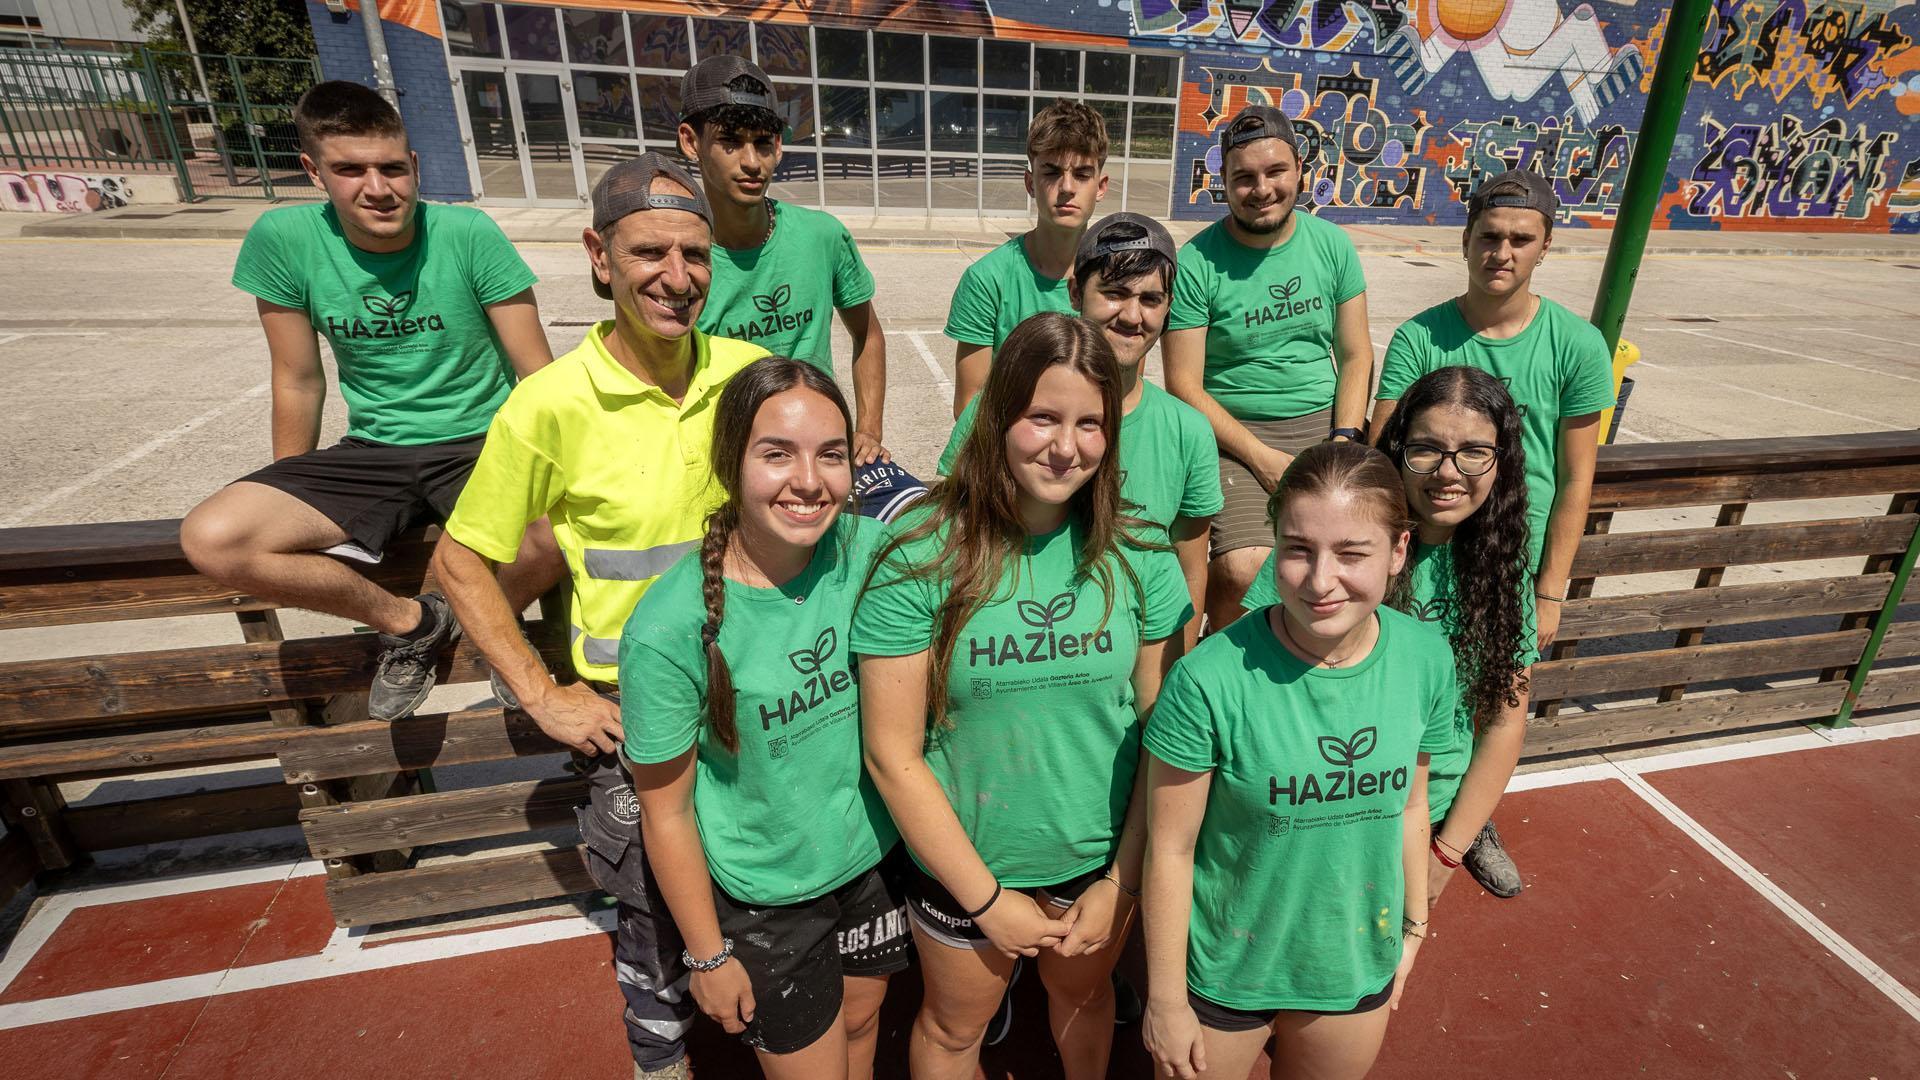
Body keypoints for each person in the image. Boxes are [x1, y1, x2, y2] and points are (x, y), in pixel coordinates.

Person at [431, 154, 766, 1080]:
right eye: (650, 251)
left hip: (760, 700)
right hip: (637, 713)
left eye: (695, 254)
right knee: (656, 927)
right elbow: (459, 564)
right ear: (598, 257)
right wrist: (544, 697)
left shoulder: (748, 377)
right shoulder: (548, 406)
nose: (677, 276)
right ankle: (661, 1065)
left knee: (762, 905)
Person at [854, 312, 1191, 1080]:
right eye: (1042, 417)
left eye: (1089, 424)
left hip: (1098, 870)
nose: (1065, 446)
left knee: (1085, 1002)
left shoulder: (1139, 554)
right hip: (968, 869)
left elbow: (1164, 743)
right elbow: (891, 753)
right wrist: (987, 898)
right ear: (997, 415)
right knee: (950, 1032)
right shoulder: (921, 555)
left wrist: (1120, 881)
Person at [179, 79, 559, 722]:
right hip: (376, 448)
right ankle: (413, 624)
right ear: (313, 171)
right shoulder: (284, 240)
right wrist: (290, 484)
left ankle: (502, 631)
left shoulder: (466, 233)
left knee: (555, 531)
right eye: (349, 169)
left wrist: (560, 472)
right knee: (214, 539)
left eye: (390, 167)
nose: (377, 188)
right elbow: (298, 379)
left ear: (415, 165)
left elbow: (539, 375)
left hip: (482, 438)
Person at [623, 357, 908, 1079]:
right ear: (730, 461)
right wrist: (708, 954)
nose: (808, 481)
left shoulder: (872, 554)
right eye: (776, 454)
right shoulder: (667, 629)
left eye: (831, 454)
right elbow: (666, 813)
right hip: (769, 897)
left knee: (864, 1021)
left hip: (870, 861)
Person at [1140, 441, 1455, 1080]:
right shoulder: (1208, 680)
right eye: (1298, 549)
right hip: (1225, 974)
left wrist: (1415, 927)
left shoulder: (1427, 659)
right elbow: (1169, 848)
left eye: (1352, 553)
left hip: (1352, 966)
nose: (1319, 581)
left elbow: (1412, 806)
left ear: (1399, 551)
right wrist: (1167, 1000)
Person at [1370, 168, 1615, 894]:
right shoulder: (1422, 335)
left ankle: (1467, 824)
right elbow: (1386, 447)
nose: (1501, 251)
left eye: (1520, 239)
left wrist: (1552, 591)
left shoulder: (1577, 345)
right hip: (1428, 542)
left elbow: (1576, 478)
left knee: (1491, 702)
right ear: (1467, 240)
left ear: (1544, 247)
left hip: (1511, 554)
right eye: (1489, 236)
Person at [1243, 367, 1536, 901]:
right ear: (1397, 449)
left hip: (1430, 805)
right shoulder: (1330, 542)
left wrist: (1447, 850)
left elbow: (1503, 723)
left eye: (1474, 452)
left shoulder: (1503, 562)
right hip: (1324, 792)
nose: (1449, 472)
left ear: (1503, 459)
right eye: (1426, 450)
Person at [938, 212, 1221, 645]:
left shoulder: (1188, 431)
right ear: (1075, 292)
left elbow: (1190, 566)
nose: (1132, 315)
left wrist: (1175, 673)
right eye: (1114, 293)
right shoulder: (994, 409)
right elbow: (948, 539)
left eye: (1150, 299)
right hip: (1014, 650)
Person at [1162, 104, 1373, 632]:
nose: (1262, 189)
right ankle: (1239, 667)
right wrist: (1259, 456)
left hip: (1323, 423)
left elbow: (1356, 355)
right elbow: (1183, 384)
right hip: (1234, 431)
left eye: (1275, 172)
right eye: (1245, 178)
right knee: (1244, 568)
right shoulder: (1197, 263)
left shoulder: (1332, 246)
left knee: (1354, 554)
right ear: (1225, 184)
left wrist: (1345, 439)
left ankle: (1319, 659)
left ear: (1300, 171)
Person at [677, 57, 903, 493]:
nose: (751, 162)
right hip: (723, 471)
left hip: (817, 460)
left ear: (779, 146)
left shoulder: (822, 235)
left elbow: (868, 334)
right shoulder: (680, 259)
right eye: (729, 141)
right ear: (691, 141)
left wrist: (869, 430)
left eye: (762, 143)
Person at [944, 99, 1110, 415]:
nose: (1066, 187)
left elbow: (1124, 395)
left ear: (1101, 186)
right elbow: (969, 405)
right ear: (1030, 182)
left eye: (1082, 173)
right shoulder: (986, 280)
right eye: (1051, 171)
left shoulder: (1119, 280)